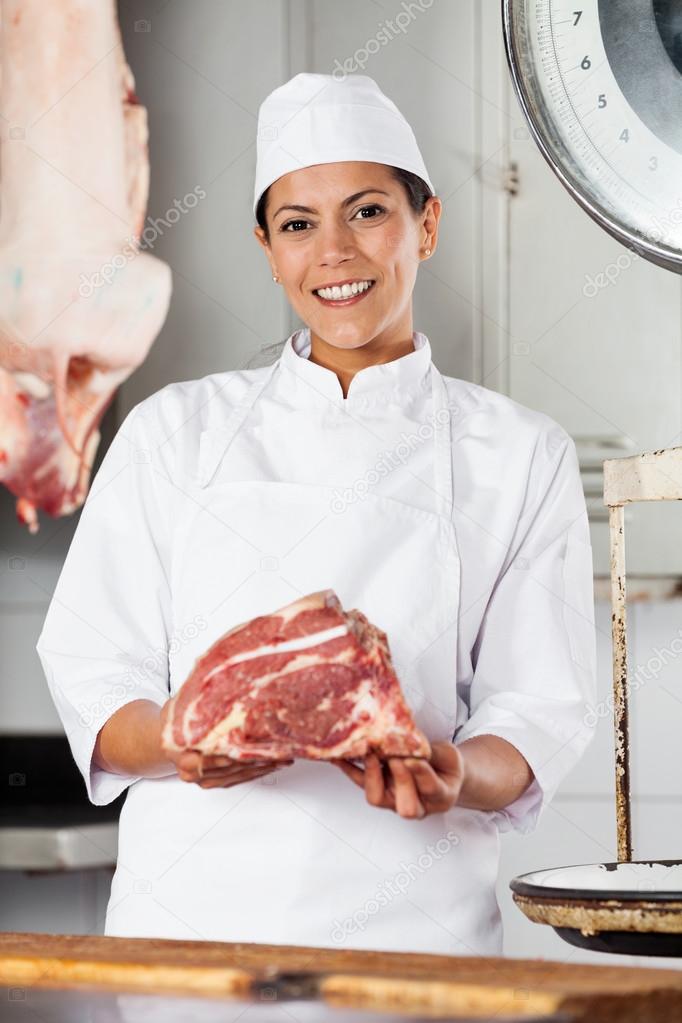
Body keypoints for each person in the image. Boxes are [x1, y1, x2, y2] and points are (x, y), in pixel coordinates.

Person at [36, 72, 597, 955]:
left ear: (429, 224)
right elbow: (98, 677)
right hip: (189, 948)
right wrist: (184, 740)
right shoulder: (173, 433)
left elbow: (535, 711)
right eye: (298, 224)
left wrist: (456, 773)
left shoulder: (520, 451)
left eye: (368, 211)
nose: (334, 251)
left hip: (418, 952)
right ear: (268, 247)